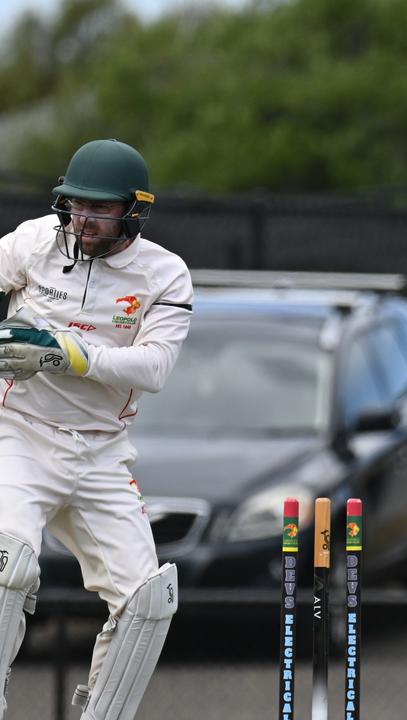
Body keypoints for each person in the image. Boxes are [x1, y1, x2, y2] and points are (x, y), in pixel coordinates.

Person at [0, 139, 193, 720]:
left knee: (149, 600)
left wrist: (64, 353)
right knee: (9, 565)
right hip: (20, 433)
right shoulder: (35, 241)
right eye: (75, 205)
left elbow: (153, 367)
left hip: (101, 451)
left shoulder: (164, 274)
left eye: (98, 209)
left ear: (133, 209)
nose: (82, 220)